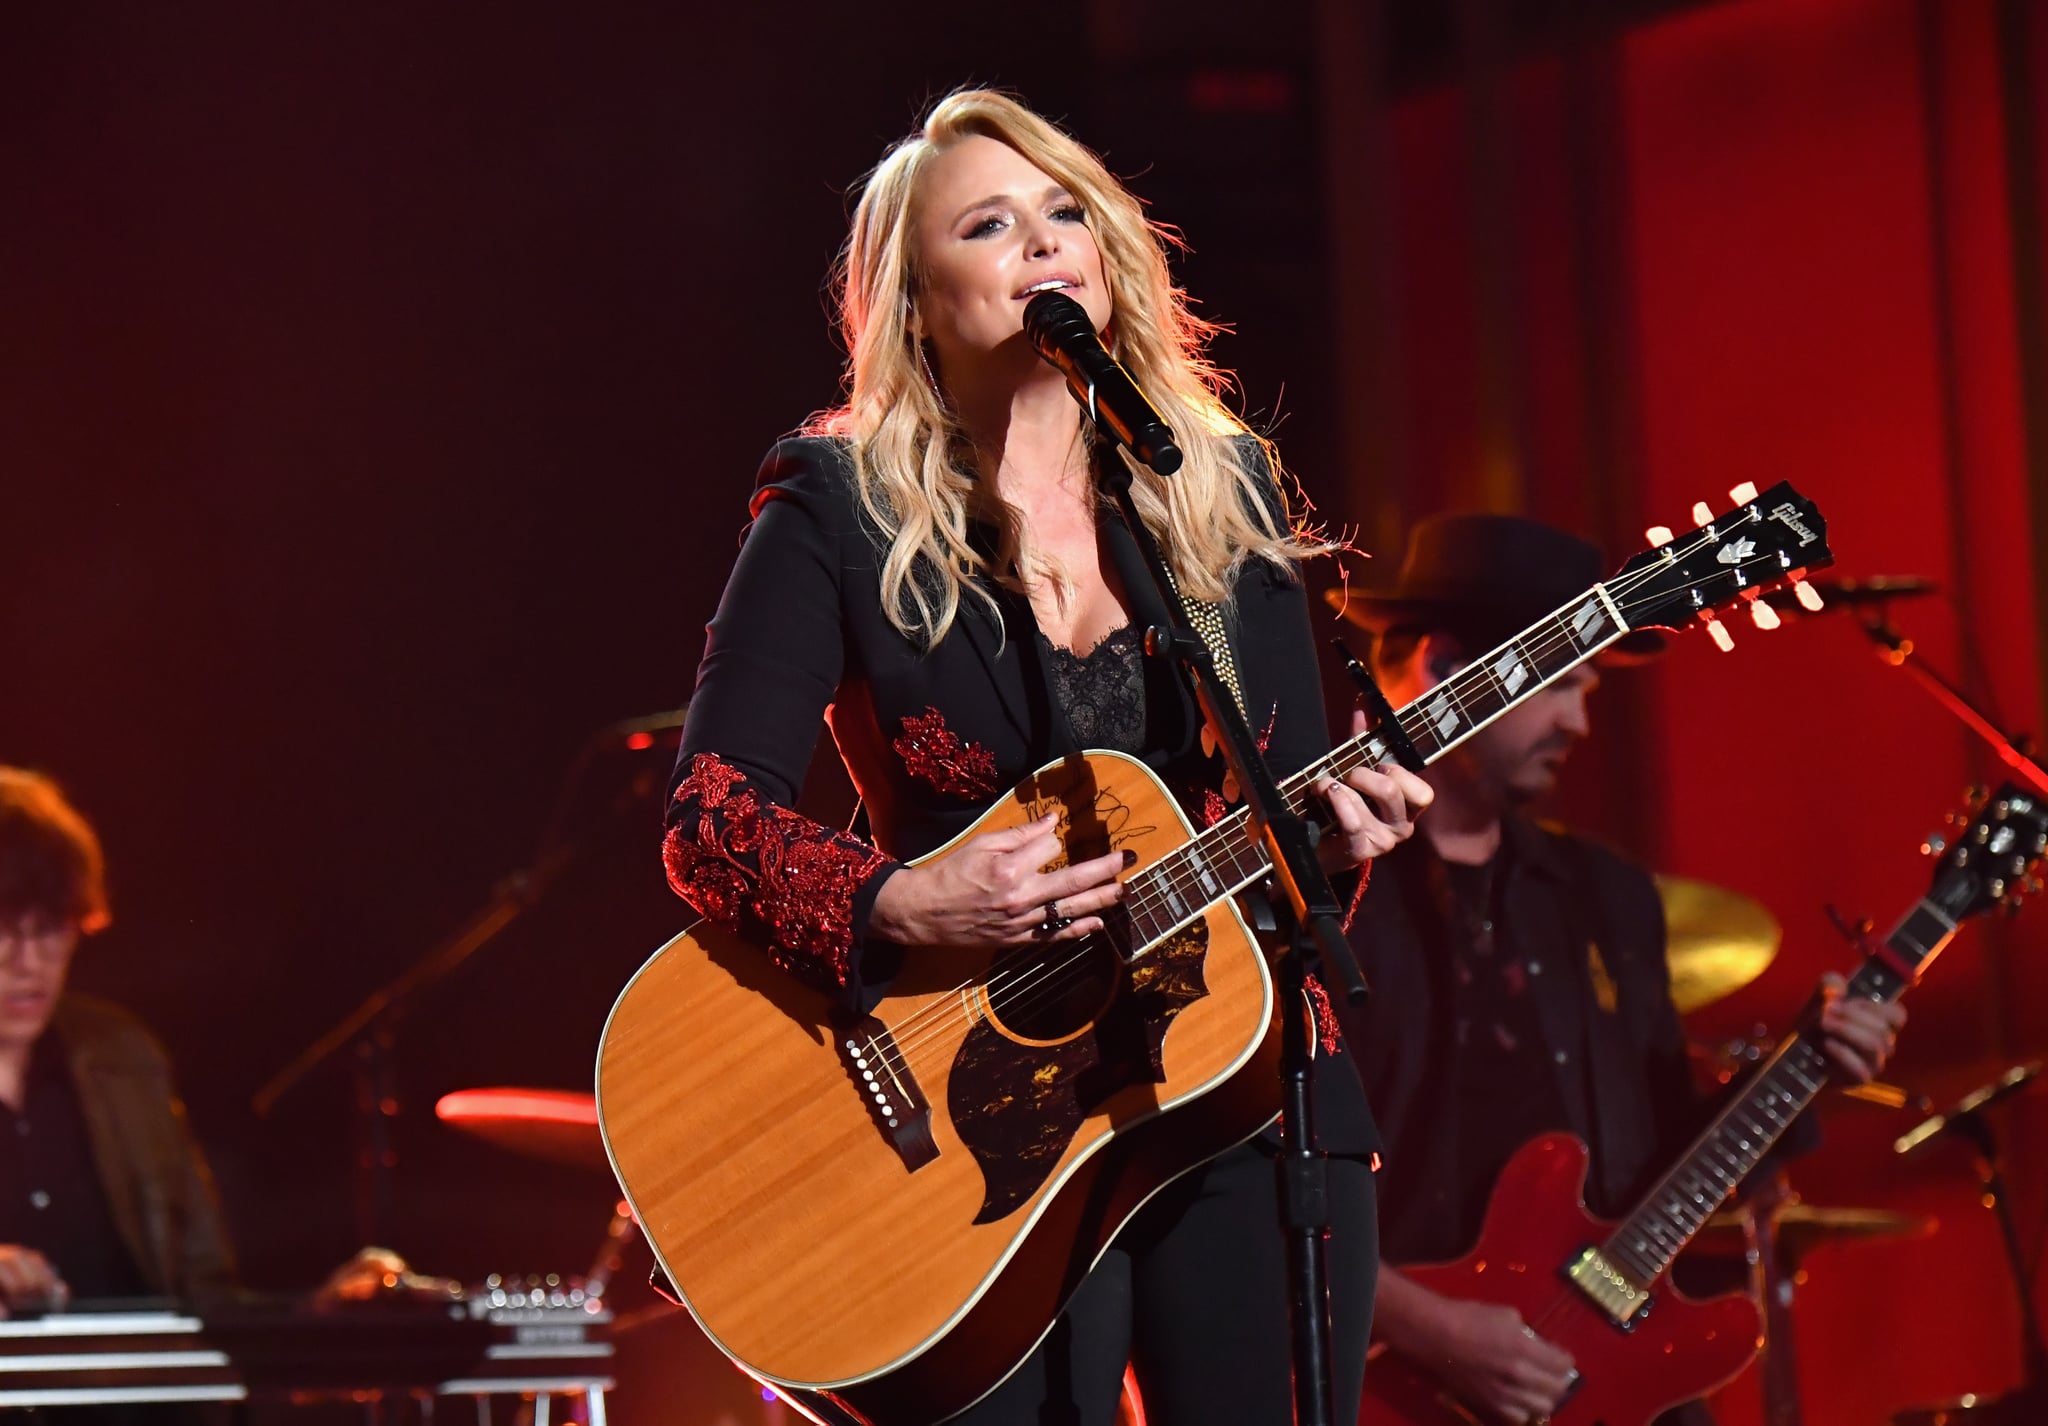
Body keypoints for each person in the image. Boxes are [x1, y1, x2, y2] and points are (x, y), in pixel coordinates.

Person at [659, 89, 1430, 1426]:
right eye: (991, 223)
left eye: (1065, 211)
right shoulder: (837, 508)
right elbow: (711, 820)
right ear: (917, 295)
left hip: (1231, 1090)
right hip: (969, 1132)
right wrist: (908, 900)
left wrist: (1340, 840)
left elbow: (1286, 847)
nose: (1042, 244)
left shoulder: (1219, 485)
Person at [1333, 515, 1906, 1426]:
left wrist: (1807, 1072)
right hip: (1386, 1384)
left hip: (1591, 1381)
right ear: (1446, 669)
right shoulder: (1322, 902)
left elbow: (1659, 1155)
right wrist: (1436, 1331)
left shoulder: (1605, 898)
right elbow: (1259, 1177)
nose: (1580, 719)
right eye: (1561, 682)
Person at [0, 767, 236, 1316]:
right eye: (2, 929)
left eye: (51, 928)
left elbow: (209, 1291)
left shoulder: (123, 1058)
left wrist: (323, 1312)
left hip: (131, 1403)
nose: (28, 962)